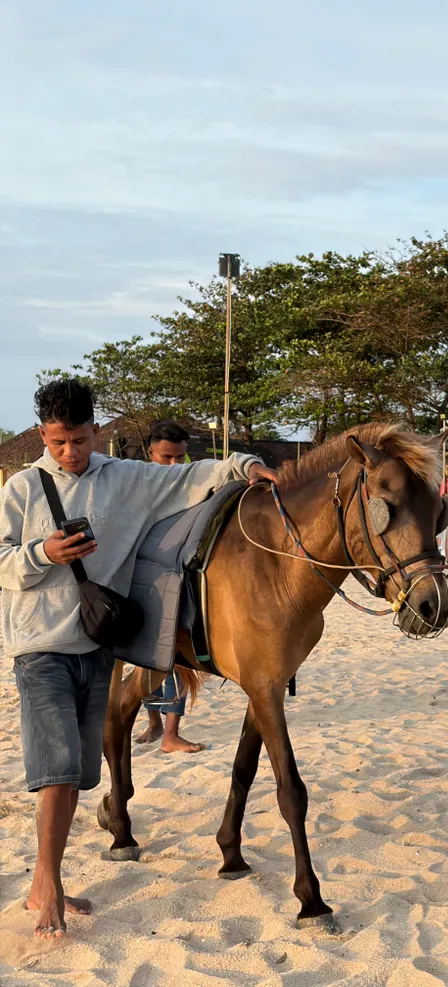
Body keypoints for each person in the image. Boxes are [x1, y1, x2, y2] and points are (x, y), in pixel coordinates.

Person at [0, 380, 277, 939]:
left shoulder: (128, 479)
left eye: (78, 440)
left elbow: (191, 477)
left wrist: (245, 464)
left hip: (99, 646)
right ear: (42, 437)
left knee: (78, 774)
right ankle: (47, 884)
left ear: (96, 432)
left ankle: (41, 882)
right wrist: (42, 553)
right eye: (57, 443)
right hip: (39, 645)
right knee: (56, 771)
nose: (69, 453)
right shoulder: (22, 488)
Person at [135, 420, 204, 753]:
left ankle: (171, 734)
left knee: (175, 656)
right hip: (143, 575)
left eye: (180, 457)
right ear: (151, 452)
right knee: (143, 654)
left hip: (180, 577)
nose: (175, 465)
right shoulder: (137, 481)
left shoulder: (195, 478)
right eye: (167, 457)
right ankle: (154, 724)